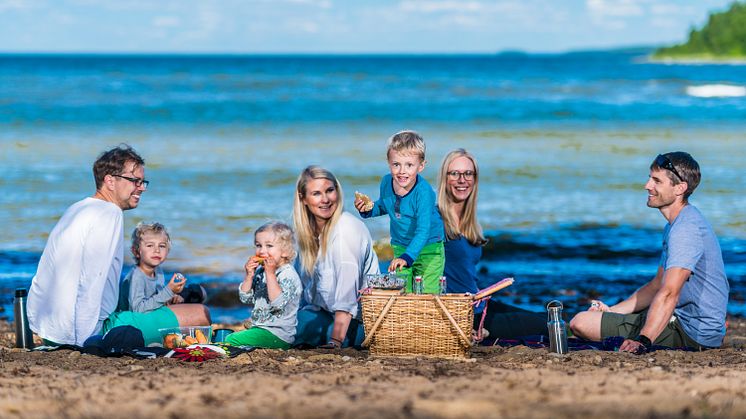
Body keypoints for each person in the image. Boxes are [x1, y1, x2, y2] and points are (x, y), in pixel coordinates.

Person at [27, 145, 210, 347]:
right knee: (201, 314)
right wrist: (83, 342)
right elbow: (91, 279)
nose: (141, 187)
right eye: (134, 181)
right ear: (110, 180)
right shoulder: (109, 213)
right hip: (85, 331)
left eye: (142, 182)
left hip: (49, 328)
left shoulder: (77, 208)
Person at [570, 152, 728, 352]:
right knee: (592, 319)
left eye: (656, 181)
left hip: (690, 333)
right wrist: (613, 311)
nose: (647, 186)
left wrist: (644, 340)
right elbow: (657, 285)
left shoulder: (685, 230)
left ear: (680, 188)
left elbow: (670, 292)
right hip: (682, 321)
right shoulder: (677, 224)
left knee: (580, 323)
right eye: (649, 178)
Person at [436, 148, 546, 340]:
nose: (462, 180)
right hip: (462, 314)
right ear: (445, 178)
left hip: (480, 305)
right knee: (544, 325)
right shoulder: (435, 220)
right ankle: (485, 334)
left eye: (468, 173)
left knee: (548, 318)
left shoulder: (470, 224)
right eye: (455, 173)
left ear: (475, 179)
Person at [293, 166, 380, 349]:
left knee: (292, 328)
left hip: (358, 325)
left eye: (330, 191)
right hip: (324, 315)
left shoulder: (346, 228)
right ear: (303, 199)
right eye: (316, 193)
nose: (325, 199)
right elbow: (300, 291)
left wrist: (336, 342)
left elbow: (347, 295)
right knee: (284, 322)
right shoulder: (308, 235)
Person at [354, 130, 445, 293]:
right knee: (402, 290)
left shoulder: (423, 193)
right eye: (396, 164)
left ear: (421, 166)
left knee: (428, 294)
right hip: (401, 245)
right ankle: (404, 318)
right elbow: (385, 205)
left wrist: (408, 257)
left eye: (409, 165)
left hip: (429, 246)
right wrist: (368, 209)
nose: (402, 171)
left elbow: (423, 231)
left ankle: (427, 317)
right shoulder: (386, 182)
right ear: (389, 163)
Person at [226, 222, 302, 349]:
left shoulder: (287, 275)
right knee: (232, 335)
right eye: (258, 245)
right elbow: (246, 298)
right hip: (261, 328)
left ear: (285, 251)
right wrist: (249, 275)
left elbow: (277, 303)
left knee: (230, 339)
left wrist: (270, 274)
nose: (262, 251)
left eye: (269, 246)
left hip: (278, 334)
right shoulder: (261, 272)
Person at [117, 222, 206, 313]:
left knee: (198, 291)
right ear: (136, 251)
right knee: (198, 309)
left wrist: (171, 297)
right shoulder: (137, 276)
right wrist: (168, 292)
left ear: (168, 251)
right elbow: (137, 310)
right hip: (132, 320)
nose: (157, 250)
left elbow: (157, 296)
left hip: (152, 310)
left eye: (162, 246)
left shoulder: (158, 271)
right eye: (150, 245)